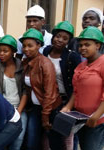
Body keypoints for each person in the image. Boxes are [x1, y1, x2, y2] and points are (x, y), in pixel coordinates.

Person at [61, 26, 104, 150]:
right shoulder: (81, 66)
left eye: (87, 44)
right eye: (80, 45)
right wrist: (68, 107)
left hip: (98, 121)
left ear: (98, 45)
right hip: (81, 118)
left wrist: (96, 116)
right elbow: (76, 91)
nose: (82, 48)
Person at [20, 28, 62, 150]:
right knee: (32, 143)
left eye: (30, 46)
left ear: (39, 45)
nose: (26, 49)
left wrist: (45, 116)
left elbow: (50, 93)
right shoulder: (26, 62)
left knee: (54, 144)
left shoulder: (45, 64)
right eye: (24, 46)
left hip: (50, 110)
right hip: (35, 108)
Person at [42, 21, 81, 150]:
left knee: (63, 137)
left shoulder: (72, 57)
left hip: (65, 101)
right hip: (47, 99)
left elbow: (77, 85)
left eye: (65, 38)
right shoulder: (46, 51)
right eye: (58, 36)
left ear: (69, 41)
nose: (60, 40)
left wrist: (69, 105)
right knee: (48, 135)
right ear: (53, 36)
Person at [0, 35, 27, 150]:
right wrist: (7, 112)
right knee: (2, 139)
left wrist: (19, 111)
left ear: (13, 52)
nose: (1, 54)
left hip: (20, 108)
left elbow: (26, 90)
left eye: (5, 51)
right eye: (0, 51)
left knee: (18, 139)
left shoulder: (22, 66)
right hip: (3, 109)